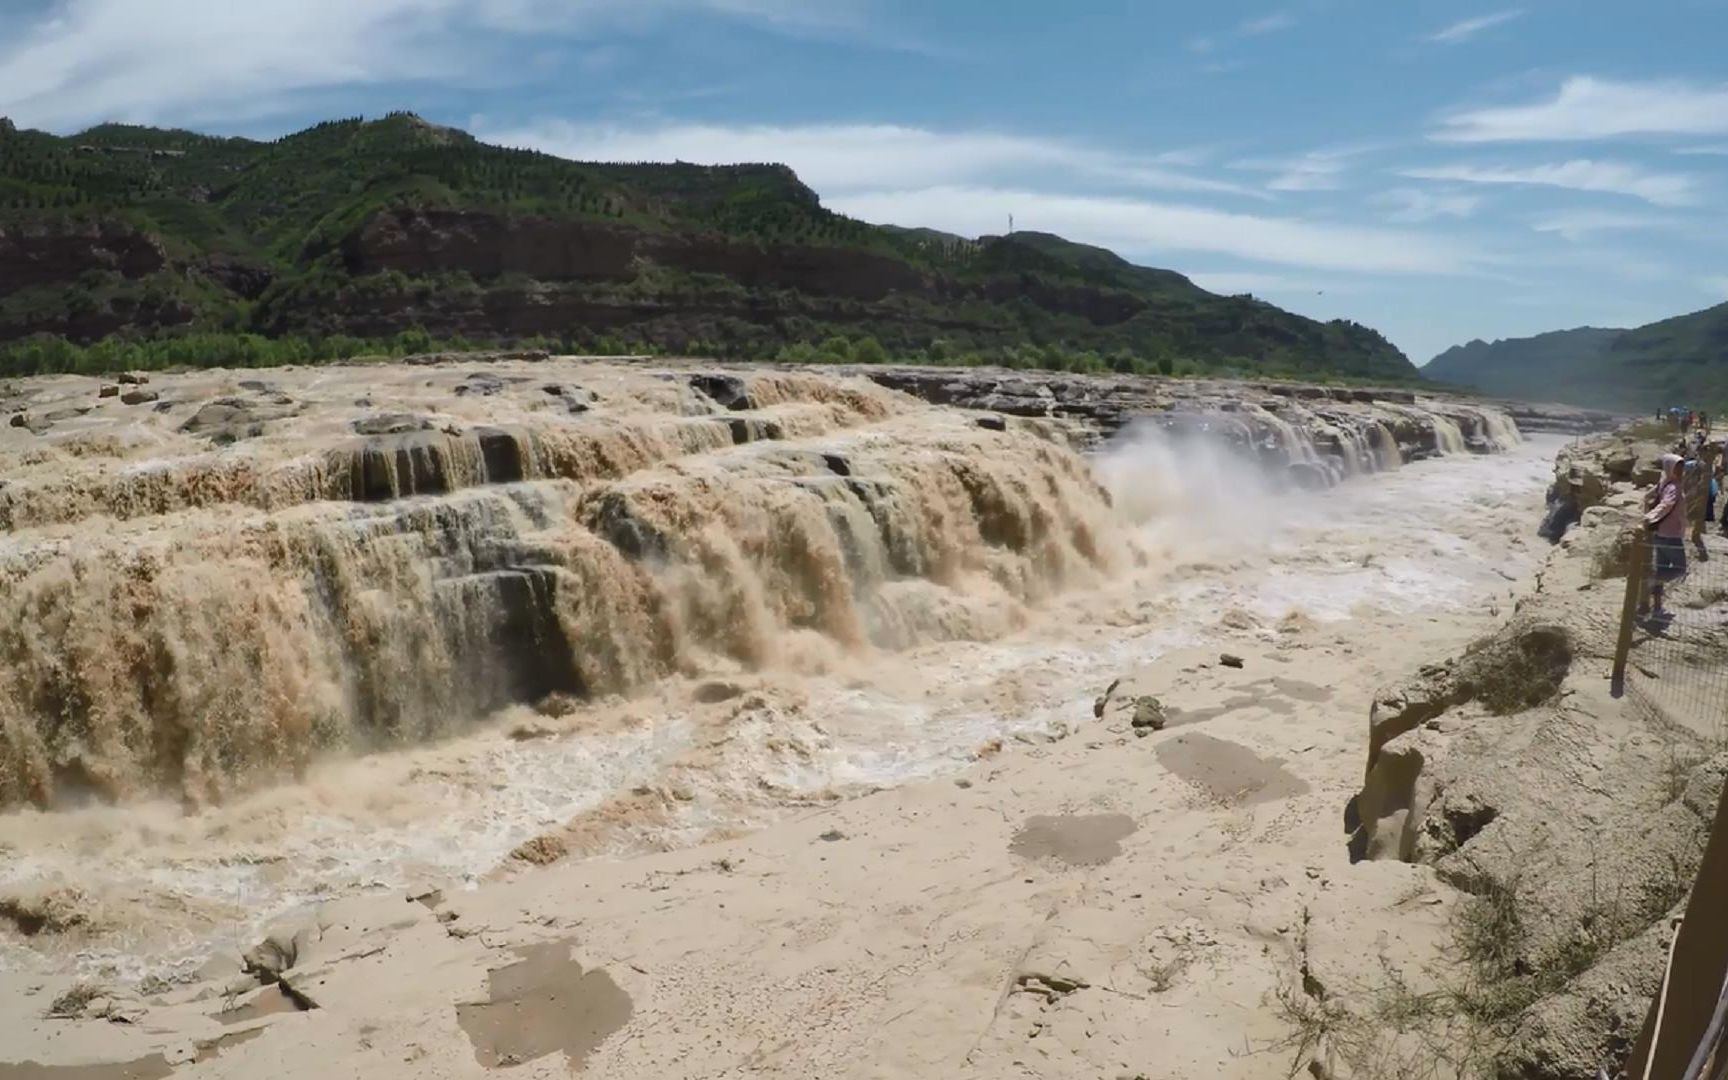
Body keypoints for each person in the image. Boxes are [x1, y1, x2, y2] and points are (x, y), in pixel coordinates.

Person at [1642, 453, 1688, 620]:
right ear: (1670, 467)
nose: (1681, 470)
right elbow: (1666, 505)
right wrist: (1649, 516)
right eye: (1678, 467)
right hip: (1671, 535)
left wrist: (1647, 511)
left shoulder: (1663, 483)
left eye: (1682, 466)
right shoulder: (1673, 487)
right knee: (1680, 569)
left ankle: (1657, 608)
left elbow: (1647, 496)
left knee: (1662, 569)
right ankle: (1652, 581)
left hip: (1660, 534)